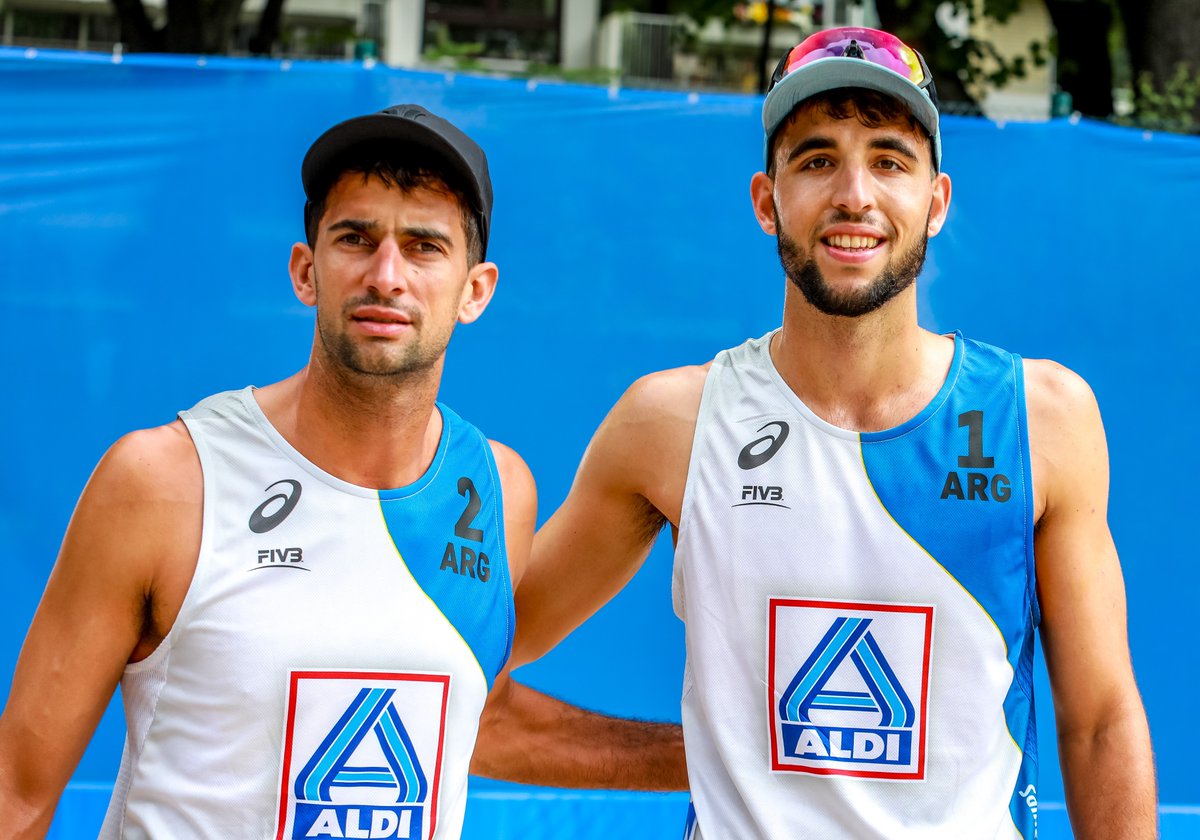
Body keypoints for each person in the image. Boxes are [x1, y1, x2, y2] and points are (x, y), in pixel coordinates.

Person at [514, 27, 1157, 839]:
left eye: (889, 160)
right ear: (765, 199)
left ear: (937, 200)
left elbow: (1100, 722)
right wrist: (684, 756)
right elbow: (471, 656)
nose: (855, 193)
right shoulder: (670, 423)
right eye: (817, 160)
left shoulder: (1042, 417)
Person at [0, 105, 684, 839]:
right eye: (356, 238)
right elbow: (16, 793)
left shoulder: (496, 488)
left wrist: (715, 752)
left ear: (475, 291)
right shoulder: (164, 480)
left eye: (424, 246)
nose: (386, 275)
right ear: (306, 270)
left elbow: (469, 719)